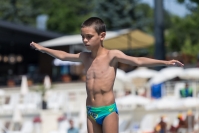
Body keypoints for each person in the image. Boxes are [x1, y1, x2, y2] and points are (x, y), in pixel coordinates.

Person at [30, 17, 184, 133]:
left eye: (89, 36)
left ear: (102, 36)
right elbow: (63, 56)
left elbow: (137, 60)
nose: (85, 40)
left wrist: (165, 62)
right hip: (91, 110)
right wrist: (42, 48)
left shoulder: (112, 55)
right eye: (83, 36)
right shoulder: (85, 57)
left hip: (108, 111)